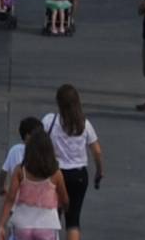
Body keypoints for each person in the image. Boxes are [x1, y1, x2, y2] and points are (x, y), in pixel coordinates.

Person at [40, 83, 103, 240]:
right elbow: (97, 151)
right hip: (78, 175)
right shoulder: (84, 124)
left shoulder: (49, 121)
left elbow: (38, 144)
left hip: (55, 174)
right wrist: (99, 171)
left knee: (52, 216)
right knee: (73, 219)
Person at [0, 124, 70, 240]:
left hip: (23, 225)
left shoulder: (21, 170)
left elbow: (10, 199)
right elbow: (65, 200)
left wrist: (1, 226)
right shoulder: (56, 174)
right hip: (46, 226)